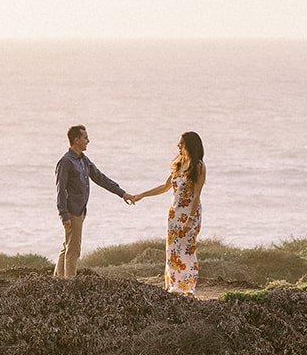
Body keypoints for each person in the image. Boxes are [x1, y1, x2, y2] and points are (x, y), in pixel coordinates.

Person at [130, 131, 206, 295]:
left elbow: (196, 195)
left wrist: (190, 219)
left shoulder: (198, 166)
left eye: (181, 144)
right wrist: (142, 195)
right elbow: (165, 187)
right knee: (172, 250)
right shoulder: (179, 164)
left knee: (186, 249)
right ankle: (174, 286)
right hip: (174, 214)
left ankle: (187, 288)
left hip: (190, 213)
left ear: (190, 146)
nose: (178, 146)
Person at [55, 124, 133, 279]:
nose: (88, 141)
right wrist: (64, 215)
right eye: (85, 138)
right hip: (72, 211)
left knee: (67, 246)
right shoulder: (66, 161)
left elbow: (100, 178)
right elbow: (60, 190)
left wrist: (122, 193)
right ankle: (69, 284)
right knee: (73, 250)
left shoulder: (83, 160)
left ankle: (58, 280)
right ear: (76, 140)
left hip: (81, 210)